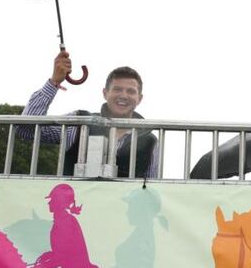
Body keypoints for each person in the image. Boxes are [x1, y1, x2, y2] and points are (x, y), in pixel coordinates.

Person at [20, 50, 158, 178]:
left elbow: (152, 187)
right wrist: (54, 82)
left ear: (139, 98)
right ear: (105, 93)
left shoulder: (151, 142)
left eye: (131, 91)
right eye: (117, 89)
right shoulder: (78, 122)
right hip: (74, 204)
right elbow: (25, 129)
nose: (123, 95)